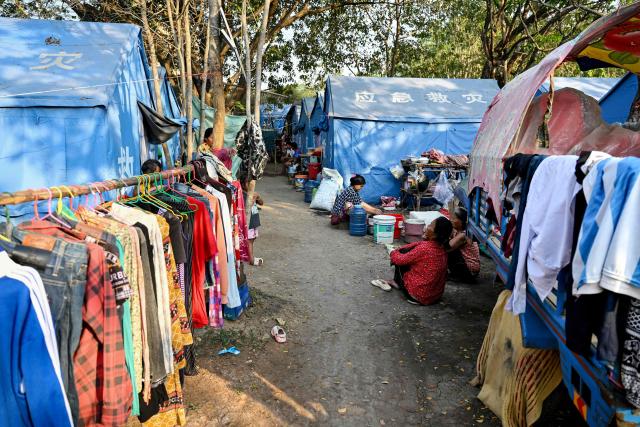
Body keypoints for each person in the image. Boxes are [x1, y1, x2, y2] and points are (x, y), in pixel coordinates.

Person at [372, 217, 453, 305]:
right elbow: (418, 244)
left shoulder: (425, 249)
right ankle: (398, 281)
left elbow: (398, 260)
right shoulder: (442, 247)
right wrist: (401, 248)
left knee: (399, 257)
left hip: (418, 295)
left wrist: (393, 252)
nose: (427, 226)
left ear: (435, 234)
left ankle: (397, 282)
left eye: (430, 225)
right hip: (435, 296)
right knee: (405, 251)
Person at [447, 207, 480, 283]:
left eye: (454, 218)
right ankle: (456, 274)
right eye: (451, 218)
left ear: (462, 221)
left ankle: (458, 276)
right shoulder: (456, 230)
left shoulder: (464, 235)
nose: (451, 220)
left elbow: (447, 248)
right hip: (466, 267)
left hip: (471, 271)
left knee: (448, 250)